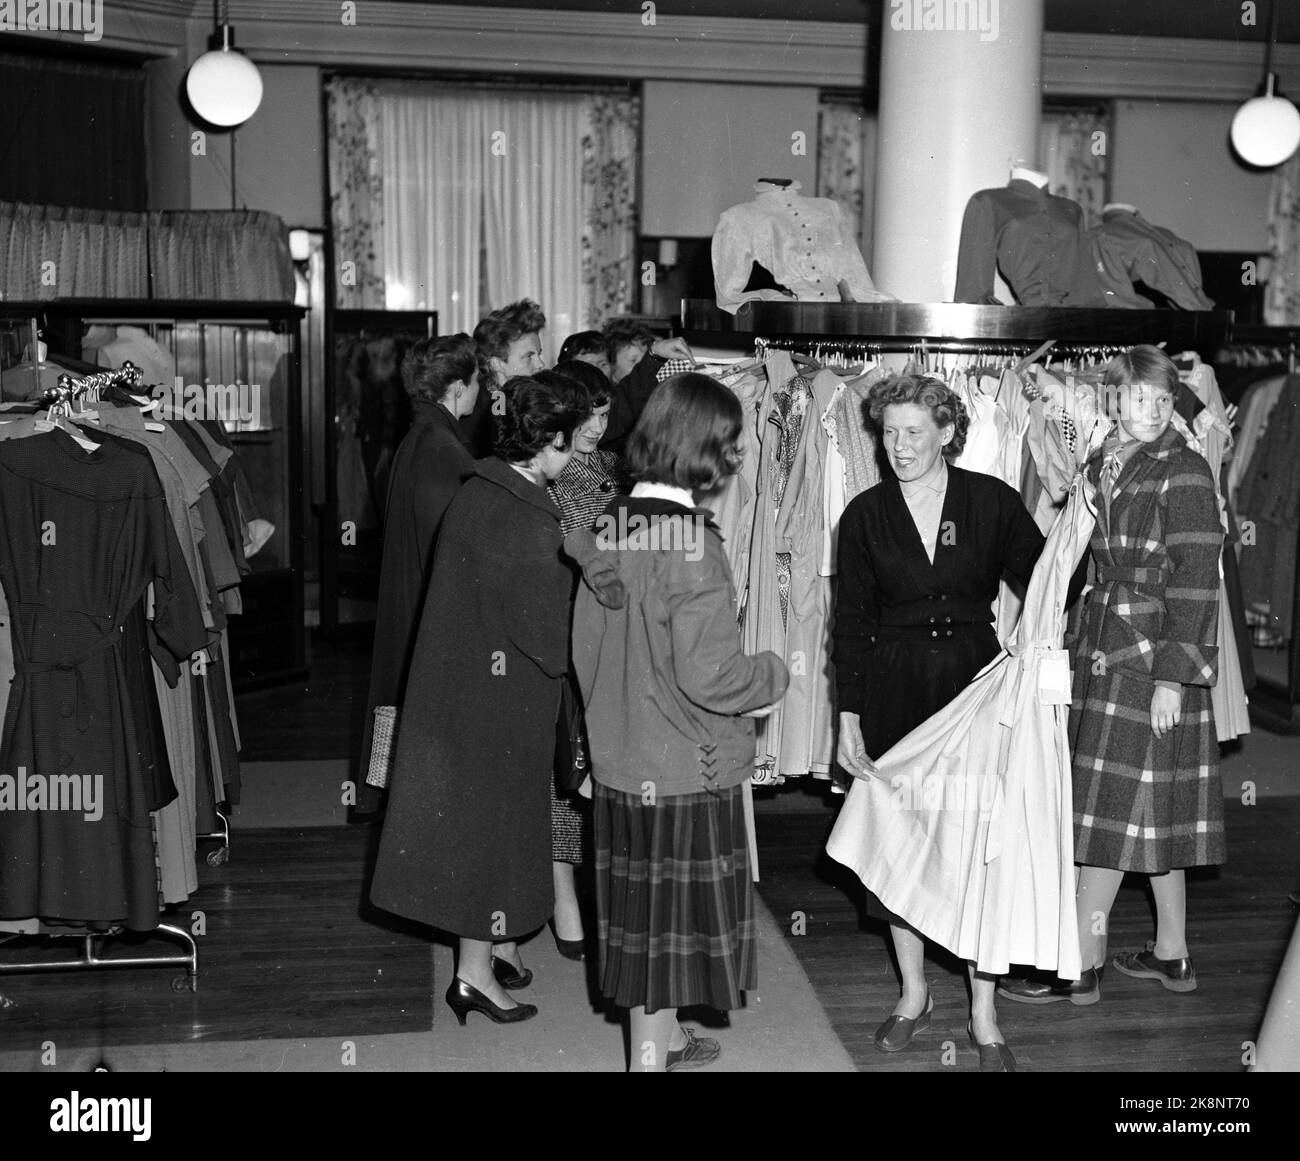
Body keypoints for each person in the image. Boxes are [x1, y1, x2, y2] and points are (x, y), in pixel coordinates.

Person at [570, 373, 790, 1072]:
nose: (734, 460)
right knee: (664, 936)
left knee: (641, 925)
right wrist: (778, 672)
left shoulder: (609, 523)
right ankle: (647, 1063)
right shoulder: (696, 547)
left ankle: (659, 1040)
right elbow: (715, 676)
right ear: (703, 450)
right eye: (729, 446)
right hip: (683, 768)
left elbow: (584, 650)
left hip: (619, 762)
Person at [1000, 345, 1223, 1007]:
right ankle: (1172, 953)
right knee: (1151, 807)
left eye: (1163, 400)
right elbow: (1071, 529)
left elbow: (1196, 584)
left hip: (1151, 657)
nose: (1152, 411)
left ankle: (1083, 958)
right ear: (1116, 400)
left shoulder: (1184, 471)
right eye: (1138, 399)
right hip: (1106, 639)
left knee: (1105, 809)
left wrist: (1172, 680)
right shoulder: (1105, 460)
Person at [833, 373, 1044, 1071]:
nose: (899, 447)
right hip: (893, 685)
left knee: (980, 841)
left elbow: (1052, 584)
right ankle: (914, 991)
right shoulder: (864, 515)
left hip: (971, 684)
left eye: (914, 432)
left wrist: (1081, 513)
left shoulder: (991, 501)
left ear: (949, 432)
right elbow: (852, 623)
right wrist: (848, 714)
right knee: (904, 838)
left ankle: (985, 1010)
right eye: (889, 433)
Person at [369, 373, 593, 1025]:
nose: (578, 453)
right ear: (550, 439)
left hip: (457, 695)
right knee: (492, 836)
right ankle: (472, 975)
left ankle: (490, 945)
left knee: (475, 832)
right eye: (573, 440)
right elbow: (550, 640)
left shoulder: (478, 490)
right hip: (504, 705)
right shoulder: (530, 519)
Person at [358, 334, 479, 814]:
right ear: (456, 388)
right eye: (475, 381)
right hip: (433, 625)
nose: (481, 389)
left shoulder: (420, 439)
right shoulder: (445, 451)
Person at [543, 361, 633, 960]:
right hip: (567, 635)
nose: (598, 425)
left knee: (587, 766)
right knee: (564, 766)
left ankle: (578, 899)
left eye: (604, 412)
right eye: (588, 413)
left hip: (604, 635)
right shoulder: (559, 477)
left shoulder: (601, 465)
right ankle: (562, 897)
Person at [598, 318, 695, 455]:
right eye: (633, 360)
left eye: (643, 360)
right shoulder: (611, 404)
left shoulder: (648, 391)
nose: (640, 366)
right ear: (611, 364)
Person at [466, 298, 548, 457]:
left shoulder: (534, 396)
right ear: (497, 364)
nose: (541, 364)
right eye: (529, 357)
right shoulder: (479, 411)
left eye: (539, 354)